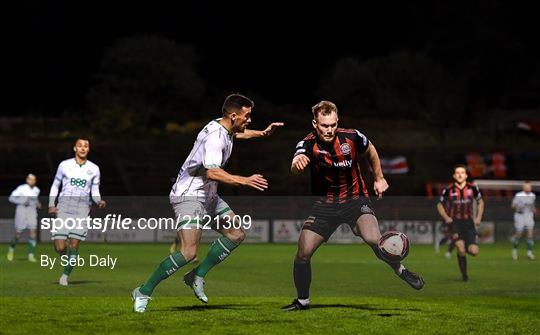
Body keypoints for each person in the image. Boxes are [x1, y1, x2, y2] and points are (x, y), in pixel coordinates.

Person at [132, 93, 283, 313]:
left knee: (236, 233)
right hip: (189, 195)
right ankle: (143, 292)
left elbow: (238, 135)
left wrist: (262, 133)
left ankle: (197, 275)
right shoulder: (215, 137)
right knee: (188, 253)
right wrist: (244, 180)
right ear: (233, 115)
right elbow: (212, 172)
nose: (249, 120)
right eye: (247, 116)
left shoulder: (225, 128)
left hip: (208, 196)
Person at [282, 100, 424, 311]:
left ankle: (401, 270)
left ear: (337, 121)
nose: (329, 130)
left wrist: (378, 177)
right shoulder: (307, 144)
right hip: (325, 206)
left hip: (355, 200)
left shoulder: (352, 136)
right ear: (315, 123)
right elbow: (296, 162)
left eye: (332, 125)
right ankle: (302, 301)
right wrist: (297, 165)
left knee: (374, 239)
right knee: (302, 254)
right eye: (324, 125)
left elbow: (371, 150)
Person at [49, 138, 106, 286]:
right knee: (60, 247)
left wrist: (98, 200)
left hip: (82, 207)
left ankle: (64, 276)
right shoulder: (64, 165)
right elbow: (55, 185)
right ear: (74, 148)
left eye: (86, 146)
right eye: (80, 145)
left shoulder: (94, 168)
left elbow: (94, 190)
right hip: (64, 206)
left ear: (88, 149)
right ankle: (65, 249)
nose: (83, 148)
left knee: (74, 244)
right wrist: (51, 204)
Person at [437, 164, 484, 281]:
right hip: (455, 223)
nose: (460, 174)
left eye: (462, 172)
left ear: (466, 175)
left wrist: (478, 217)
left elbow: (480, 202)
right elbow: (439, 204)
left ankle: (466, 248)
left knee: (473, 251)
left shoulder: (473, 188)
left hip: (469, 223)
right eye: (457, 172)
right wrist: (446, 217)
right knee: (460, 248)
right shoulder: (448, 189)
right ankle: (464, 275)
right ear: (454, 175)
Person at [7, 174, 41, 262]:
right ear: (27, 180)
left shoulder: (37, 190)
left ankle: (31, 255)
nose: (32, 181)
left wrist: (38, 203)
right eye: (31, 179)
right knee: (18, 234)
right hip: (21, 212)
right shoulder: (21, 188)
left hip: (32, 213)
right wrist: (22, 201)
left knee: (33, 233)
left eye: (34, 179)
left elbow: (35, 199)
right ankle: (11, 249)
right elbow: (11, 198)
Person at [511, 181, 536, 260]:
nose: (529, 187)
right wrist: (518, 207)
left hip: (529, 216)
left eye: (529, 186)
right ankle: (514, 251)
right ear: (524, 187)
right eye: (527, 186)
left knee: (530, 234)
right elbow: (513, 205)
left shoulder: (533, 195)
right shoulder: (519, 195)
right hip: (520, 216)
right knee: (518, 234)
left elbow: (532, 206)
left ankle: (529, 253)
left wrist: (533, 209)